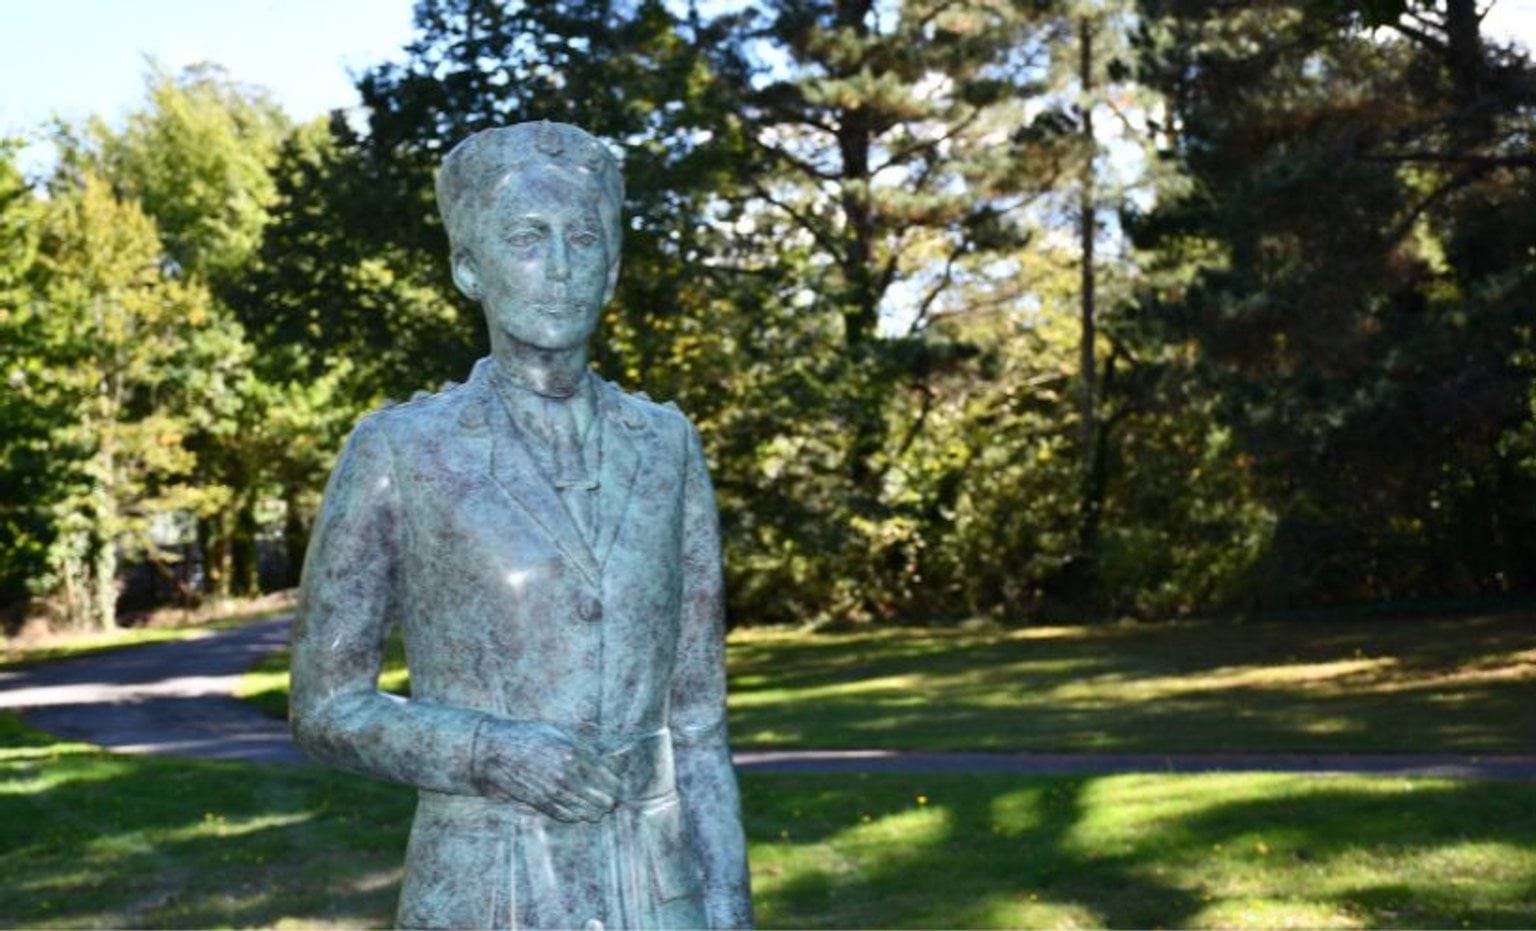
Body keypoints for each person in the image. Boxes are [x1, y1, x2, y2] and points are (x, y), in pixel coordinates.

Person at [289, 121, 752, 930]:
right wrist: (486, 751)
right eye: (528, 239)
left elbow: (699, 725)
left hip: (654, 892)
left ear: (612, 269)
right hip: (487, 887)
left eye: (584, 239)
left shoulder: (667, 446)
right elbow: (326, 704)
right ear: (470, 268)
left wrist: (728, 911)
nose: (561, 267)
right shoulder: (403, 450)